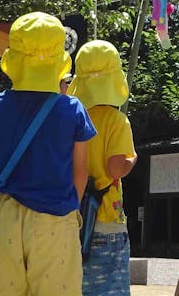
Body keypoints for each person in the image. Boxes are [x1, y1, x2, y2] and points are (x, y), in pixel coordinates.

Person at [0, 12, 97, 296]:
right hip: (56, 217)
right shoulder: (72, 110)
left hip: (5, 217)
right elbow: (80, 171)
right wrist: (70, 209)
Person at [68, 40, 138, 296]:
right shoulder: (117, 121)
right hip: (107, 219)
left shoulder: (71, 119)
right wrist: (133, 159)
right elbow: (116, 169)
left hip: (72, 219)